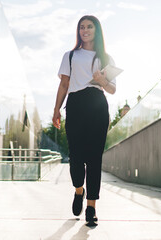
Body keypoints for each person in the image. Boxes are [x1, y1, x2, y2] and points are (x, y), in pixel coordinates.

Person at [53, 15, 116, 226]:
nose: (85, 30)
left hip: (98, 105)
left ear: (97, 30)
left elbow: (112, 89)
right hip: (76, 105)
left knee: (94, 159)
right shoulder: (70, 56)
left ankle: (91, 207)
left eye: (89, 27)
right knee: (76, 156)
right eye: (82, 27)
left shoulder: (106, 58)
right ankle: (79, 190)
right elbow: (64, 85)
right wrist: (56, 110)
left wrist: (101, 80)